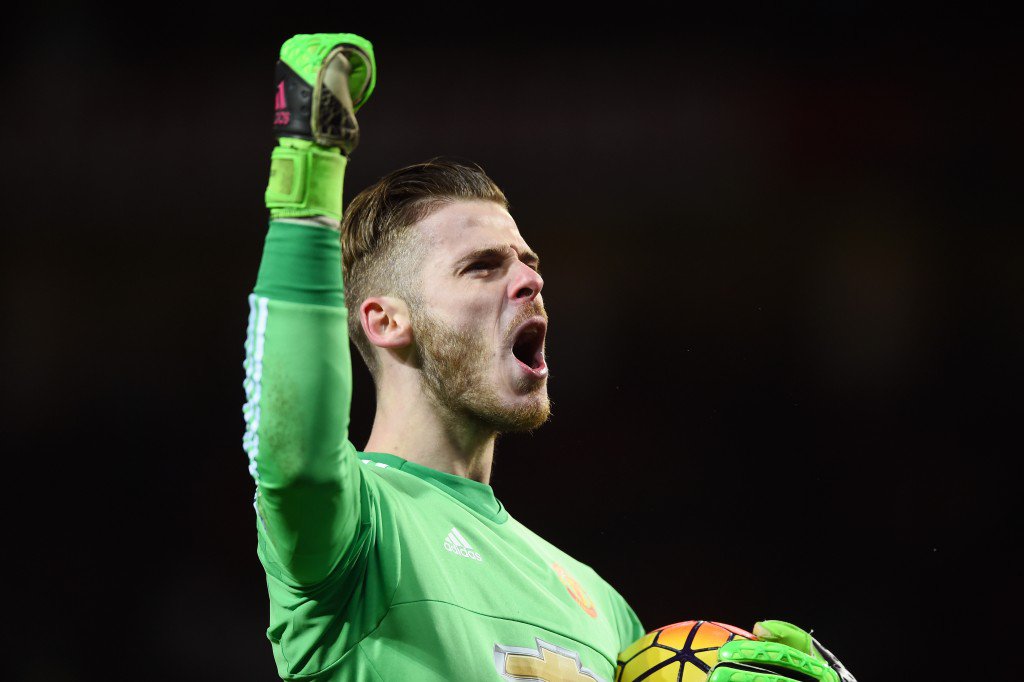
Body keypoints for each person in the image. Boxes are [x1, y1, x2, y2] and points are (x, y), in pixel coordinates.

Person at [243, 33, 858, 682]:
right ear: (387, 322)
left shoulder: (606, 612)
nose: (530, 281)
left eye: (528, 263)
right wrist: (308, 173)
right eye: (482, 267)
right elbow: (293, 447)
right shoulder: (357, 527)